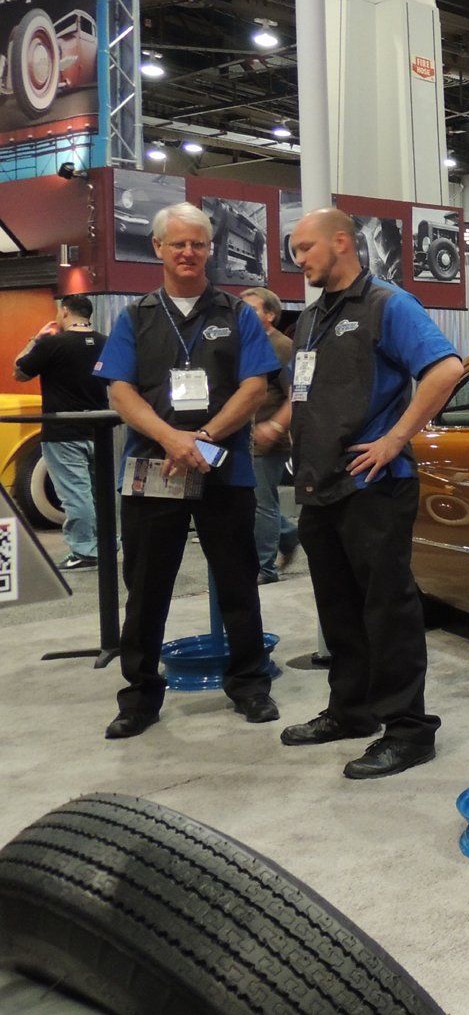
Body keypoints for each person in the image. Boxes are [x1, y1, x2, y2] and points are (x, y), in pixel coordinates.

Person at [263, 209, 463, 780]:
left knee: (388, 610)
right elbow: (306, 390)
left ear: (342, 242)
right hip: (319, 487)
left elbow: (446, 369)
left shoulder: (387, 304)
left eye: (306, 248)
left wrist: (395, 438)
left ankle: (409, 730)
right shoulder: (311, 318)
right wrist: (279, 429)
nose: (298, 260)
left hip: (374, 486)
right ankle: (352, 711)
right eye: (294, 251)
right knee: (339, 611)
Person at [93, 202, 280, 738]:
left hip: (225, 469)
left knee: (238, 582)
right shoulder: (135, 317)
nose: (189, 252)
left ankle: (250, 685)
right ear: (158, 248)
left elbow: (255, 387)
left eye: (198, 243)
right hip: (154, 470)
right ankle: (139, 697)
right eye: (178, 243)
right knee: (146, 589)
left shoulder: (238, 314)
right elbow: (120, 391)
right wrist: (171, 438)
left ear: (210, 248)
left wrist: (204, 437)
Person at [12, 294, 107, 570]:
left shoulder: (52, 344)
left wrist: (36, 339)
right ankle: (104, 544)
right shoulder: (105, 342)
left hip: (63, 432)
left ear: (65, 311)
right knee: (98, 493)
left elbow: (19, 371)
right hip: (99, 430)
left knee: (75, 494)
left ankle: (84, 550)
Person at [240, 287, 299, 584]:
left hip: (269, 441)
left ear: (271, 314)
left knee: (262, 504)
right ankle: (289, 534)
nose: (243, 315)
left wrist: (275, 426)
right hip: (246, 439)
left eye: (251, 309)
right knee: (255, 502)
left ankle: (264, 568)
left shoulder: (283, 346)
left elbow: (297, 394)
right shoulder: (247, 344)